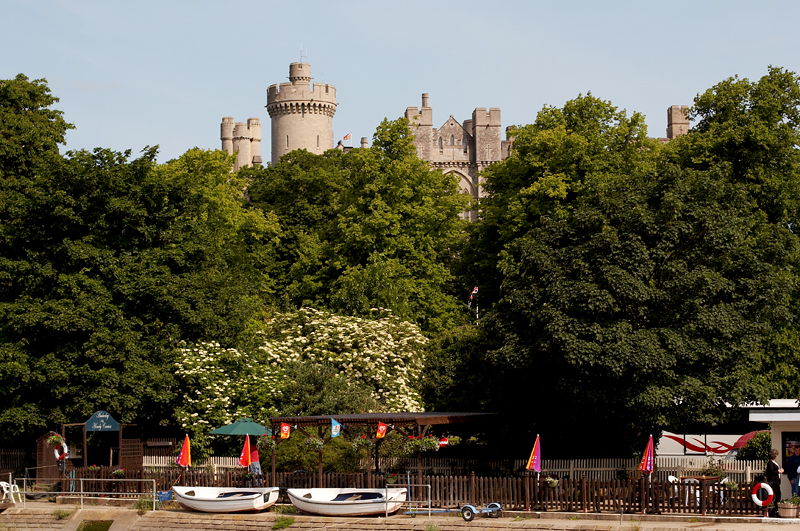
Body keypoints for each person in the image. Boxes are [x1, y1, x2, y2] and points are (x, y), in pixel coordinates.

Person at [766, 449, 784, 516]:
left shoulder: (775, 462)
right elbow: (771, 471)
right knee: (775, 495)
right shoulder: (770, 463)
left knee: (778, 495)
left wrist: (781, 470)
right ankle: (774, 510)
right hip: (773, 481)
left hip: (777, 481)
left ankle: (777, 509)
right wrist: (779, 471)